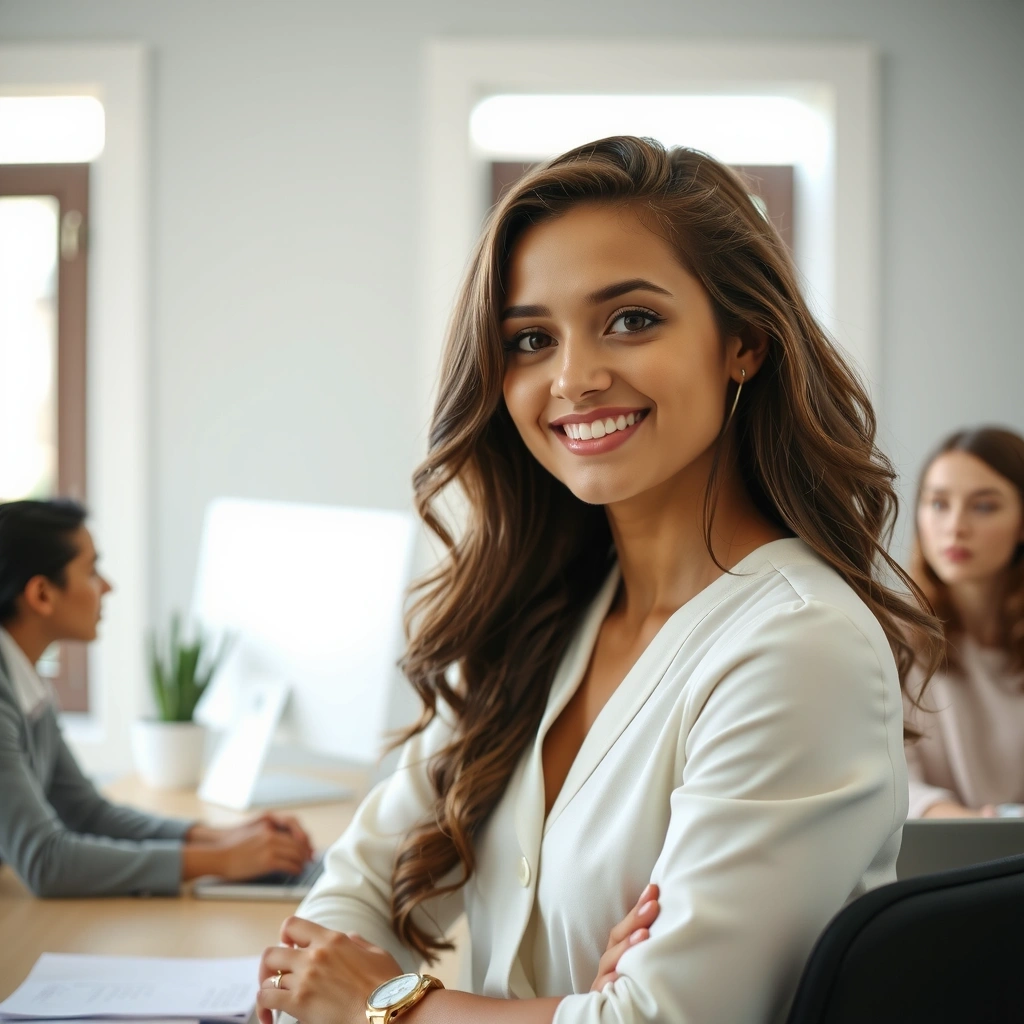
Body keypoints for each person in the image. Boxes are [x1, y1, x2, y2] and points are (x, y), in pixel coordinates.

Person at [257, 137, 940, 1024]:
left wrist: (390, 1007)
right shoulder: (533, 618)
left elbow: (658, 1021)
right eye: (531, 339)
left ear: (743, 341)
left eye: (631, 319)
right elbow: (337, 917)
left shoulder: (800, 646)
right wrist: (573, 1007)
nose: (574, 378)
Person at [0, 498, 314, 897]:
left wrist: (221, 838)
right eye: (92, 570)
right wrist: (220, 861)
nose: (108, 586)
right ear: (42, 594)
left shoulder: (25, 681)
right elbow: (46, 861)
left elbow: (87, 814)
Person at [904, 427, 1024, 818]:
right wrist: (977, 830)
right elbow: (891, 785)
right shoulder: (889, 637)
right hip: (938, 849)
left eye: (984, 507)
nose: (956, 526)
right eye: (938, 504)